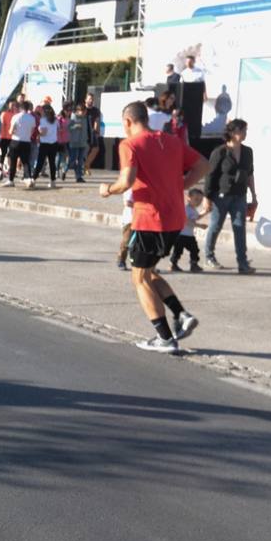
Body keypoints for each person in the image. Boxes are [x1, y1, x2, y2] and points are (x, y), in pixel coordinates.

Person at [99, 100, 209, 353]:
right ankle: (181, 314)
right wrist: (182, 185)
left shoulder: (129, 144)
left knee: (138, 278)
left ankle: (165, 338)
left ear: (127, 122)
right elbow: (203, 164)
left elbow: (126, 181)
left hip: (149, 219)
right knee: (147, 271)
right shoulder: (170, 140)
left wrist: (107, 190)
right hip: (175, 220)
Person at [203, 118, 257, 274]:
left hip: (239, 195)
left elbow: (250, 174)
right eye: (242, 131)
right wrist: (207, 197)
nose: (245, 134)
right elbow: (210, 175)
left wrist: (253, 195)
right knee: (215, 226)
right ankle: (209, 256)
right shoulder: (220, 152)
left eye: (245, 131)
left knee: (239, 227)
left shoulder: (248, 152)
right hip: (221, 195)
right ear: (233, 133)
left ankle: (242, 262)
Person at [170, 188, 208, 273]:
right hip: (181, 235)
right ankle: (173, 264)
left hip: (190, 235)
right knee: (178, 250)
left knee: (195, 250)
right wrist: (199, 226)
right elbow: (186, 221)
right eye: (196, 199)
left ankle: (194, 264)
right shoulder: (186, 209)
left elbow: (196, 217)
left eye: (200, 200)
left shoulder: (194, 210)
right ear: (189, 198)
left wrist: (205, 212)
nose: (198, 202)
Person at [6, 101, 36, 187]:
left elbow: (11, 131)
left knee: (13, 161)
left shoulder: (16, 117)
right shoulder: (32, 118)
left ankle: (11, 180)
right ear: (28, 108)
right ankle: (28, 178)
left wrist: (12, 131)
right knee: (26, 162)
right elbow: (32, 130)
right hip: (26, 141)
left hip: (16, 140)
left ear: (20, 108)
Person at [66, 103, 89, 183]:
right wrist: (75, 127)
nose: (83, 113)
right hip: (74, 142)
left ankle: (78, 176)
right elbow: (67, 128)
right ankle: (65, 170)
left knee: (80, 161)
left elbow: (87, 130)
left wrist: (87, 139)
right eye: (81, 111)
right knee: (73, 160)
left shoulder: (85, 119)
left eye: (84, 111)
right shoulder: (73, 118)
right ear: (77, 111)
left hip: (82, 142)